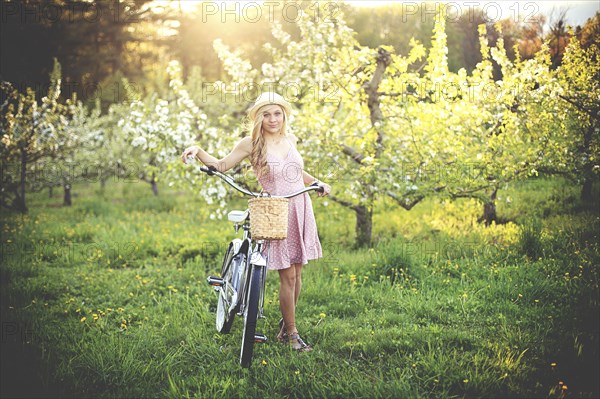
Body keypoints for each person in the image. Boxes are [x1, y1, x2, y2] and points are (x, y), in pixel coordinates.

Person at [181, 92, 331, 352]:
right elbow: (221, 165)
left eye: (277, 113)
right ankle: (293, 334)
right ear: (258, 117)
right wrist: (199, 151)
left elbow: (295, 172)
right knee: (287, 275)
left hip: (300, 206)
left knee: (297, 273)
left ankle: (285, 327)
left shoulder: (288, 139)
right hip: (275, 211)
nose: (272, 119)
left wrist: (316, 182)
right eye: (266, 114)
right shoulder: (251, 143)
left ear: (284, 115)